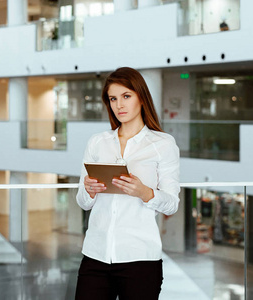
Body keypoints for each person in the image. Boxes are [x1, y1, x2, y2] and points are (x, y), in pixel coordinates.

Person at [75, 67, 180, 300]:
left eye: (126, 96)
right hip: (95, 256)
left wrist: (145, 192)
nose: (119, 105)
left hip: (140, 258)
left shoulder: (163, 144)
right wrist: (89, 191)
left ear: (141, 97)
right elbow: (82, 202)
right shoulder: (97, 143)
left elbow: (172, 204)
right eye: (113, 99)